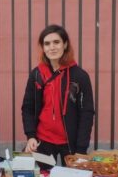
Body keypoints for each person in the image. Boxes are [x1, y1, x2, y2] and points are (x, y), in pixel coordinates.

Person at [21, 24, 95, 167]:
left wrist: (81, 149)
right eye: (47, 43)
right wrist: (30, 136)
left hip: (71, 144)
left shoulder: (80, 76)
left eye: (56, 42)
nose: (52, 47)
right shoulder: (36, 74)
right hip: (43, 141)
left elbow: (87, 113)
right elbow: (27, 108)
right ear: (43, 48)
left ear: (65, 44)